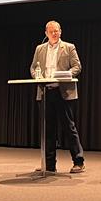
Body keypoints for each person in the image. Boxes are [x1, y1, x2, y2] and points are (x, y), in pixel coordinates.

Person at [30, 20, 85, 173]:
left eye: (56, 31)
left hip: (63, 91)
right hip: (45, 92)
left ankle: (78, 161)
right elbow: (33, 67)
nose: (54, 33)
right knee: (48, 129)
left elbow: (77, 67)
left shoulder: (69, 47)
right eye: (51, 31)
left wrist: (66, 74)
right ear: (46, 33)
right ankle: (49, 165)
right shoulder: (39, 49)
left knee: (69, 127)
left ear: (60, 32)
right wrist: (37, 76)